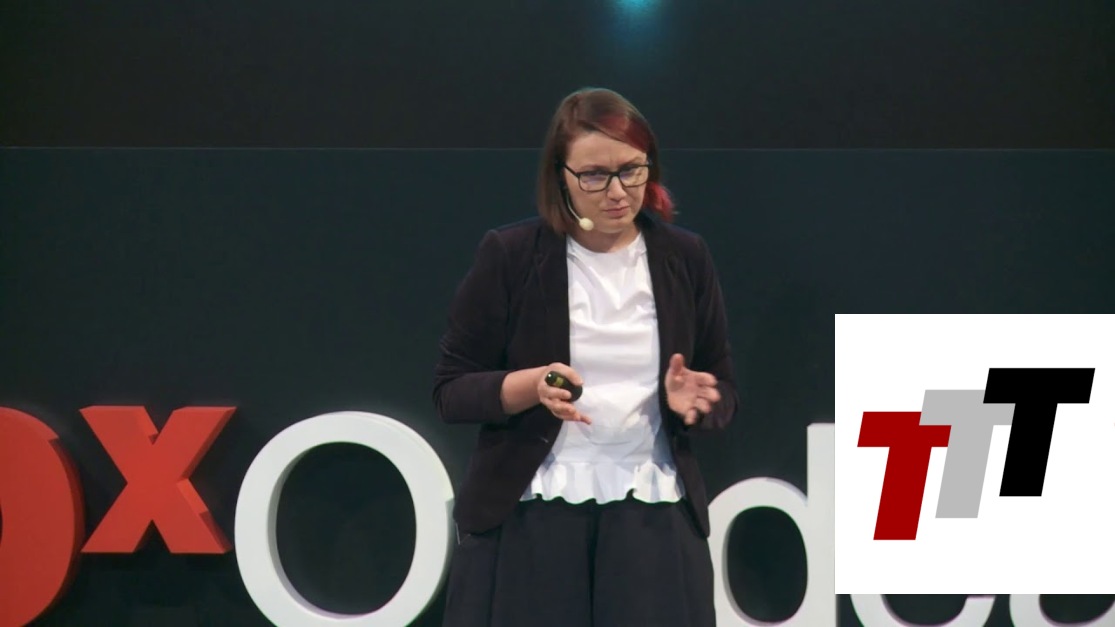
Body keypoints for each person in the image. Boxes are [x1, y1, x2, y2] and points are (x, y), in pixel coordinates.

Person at [432, 87, 738, 627]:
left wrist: (695, 402)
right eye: (594, 175)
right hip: (534, 509)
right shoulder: (511, 255)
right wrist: (530, 386)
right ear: (561, 177)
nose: (617, 192)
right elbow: (450, 390)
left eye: (632, 170)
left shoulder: (686, 257)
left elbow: (723, 392)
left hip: (652, 508)